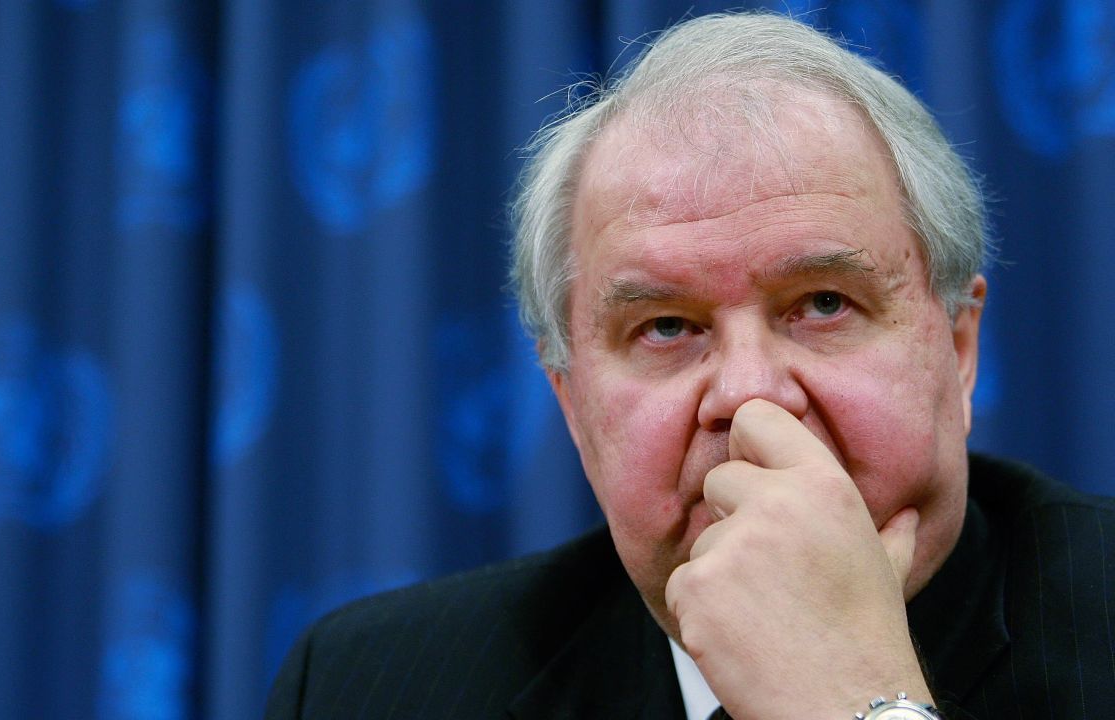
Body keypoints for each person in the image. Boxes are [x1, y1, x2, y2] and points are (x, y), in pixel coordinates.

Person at [266, 11, 1115, 720]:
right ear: (570, 403)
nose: (749, 396)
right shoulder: (368, 688)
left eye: (824, 304)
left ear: (958, 351)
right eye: (666, 326)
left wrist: (856, 700)